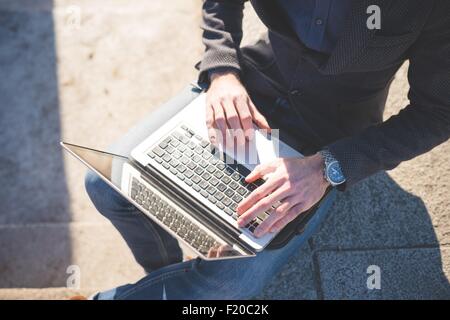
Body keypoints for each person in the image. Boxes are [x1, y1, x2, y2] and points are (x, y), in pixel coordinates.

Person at [84, 0, 450, 299]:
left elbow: (436, 113)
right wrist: (222, 71)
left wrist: (326, 167)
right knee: (104, 185)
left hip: (327, 136)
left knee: (221, 290)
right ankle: (164, 273)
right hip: (247, 85)